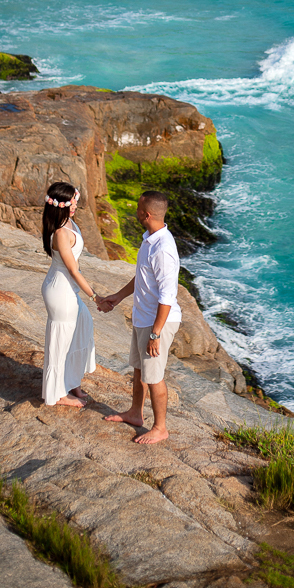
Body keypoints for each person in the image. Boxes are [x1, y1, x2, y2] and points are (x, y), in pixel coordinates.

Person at [97, 190, 182, 444]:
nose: (135, 211)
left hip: (158, 322)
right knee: (139, 369)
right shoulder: (149, 240)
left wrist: (156, 333)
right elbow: (142, 278)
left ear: (146, 214)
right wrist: (118, 296)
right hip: (143, 318)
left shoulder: (163, 249)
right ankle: (135, 413)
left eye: (137, 208)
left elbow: (167, 297)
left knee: (154, 376)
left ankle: (161, 428)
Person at [41, 181, 97, 408]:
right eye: (73, 203)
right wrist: (95, 296)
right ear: (61, 205)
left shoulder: (69, 222)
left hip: (68, 288)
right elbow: (73, 269)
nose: (76, 207)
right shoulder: (61, 233)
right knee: (61, 340)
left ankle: (72, 381)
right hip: (60, 291)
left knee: (82, 325)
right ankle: (58, 394)